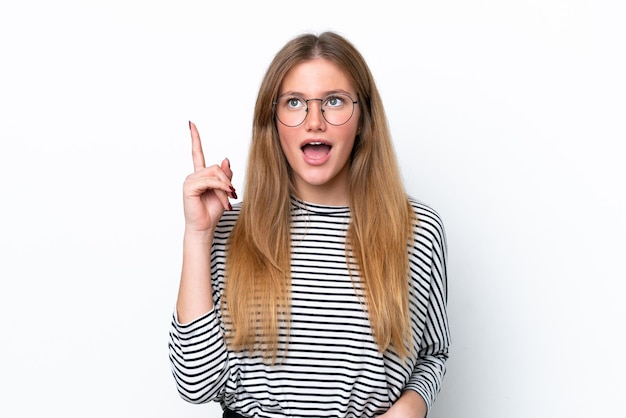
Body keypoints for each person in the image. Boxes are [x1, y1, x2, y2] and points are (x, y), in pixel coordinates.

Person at [168, 31, 450, 418]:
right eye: (295, 103)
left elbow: (432, 354)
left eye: (333, 101)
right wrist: (198, 236)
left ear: (363, 119)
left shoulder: (417, 231)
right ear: (273, 121)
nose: (314, 121)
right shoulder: (229, 230)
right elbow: (195, 383)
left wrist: (411, 407)